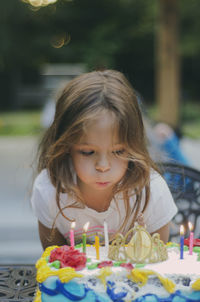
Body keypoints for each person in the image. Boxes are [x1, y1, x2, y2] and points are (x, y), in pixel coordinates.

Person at [31, 69, 177, 250]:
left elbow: (156, 264)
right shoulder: (49, 191)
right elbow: (54, 263)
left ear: (134, 146)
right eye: (87, 152)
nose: (103, 166)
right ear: (66, 146)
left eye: (117, 151)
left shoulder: (153, 192)